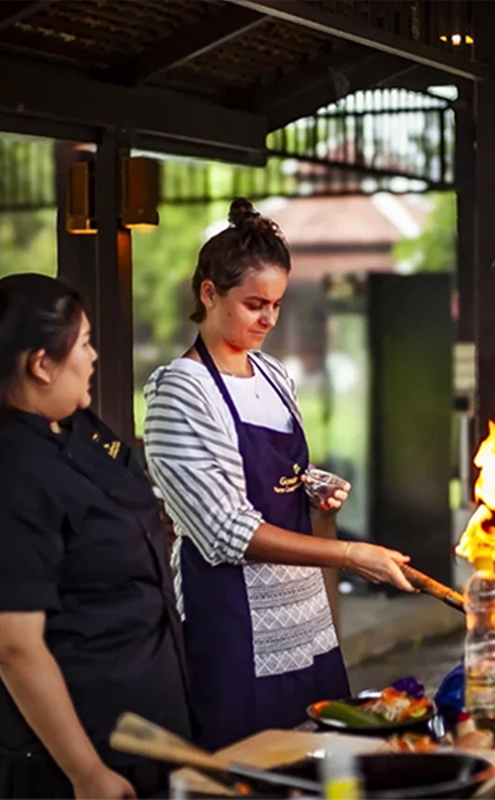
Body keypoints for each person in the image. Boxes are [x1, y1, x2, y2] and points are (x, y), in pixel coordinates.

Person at [143, 198, 416, 751]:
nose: (268, 319)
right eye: (254, 304)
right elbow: (225, 531)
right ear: (208, 293)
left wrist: (312, 485)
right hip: (234, 625)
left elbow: (275, 473)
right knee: (252, 769)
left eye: (277, 304)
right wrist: (350, 555)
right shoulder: (180, 391)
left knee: (319, 761)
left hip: (306, 617)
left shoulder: (272, 374)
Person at [0, 274, 192, 799]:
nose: (94, 356)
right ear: (41, 363)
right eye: (83, 344)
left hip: (143, 743)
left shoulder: (74, 427)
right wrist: (86, 772)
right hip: (62, 771)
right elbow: (12, 644)